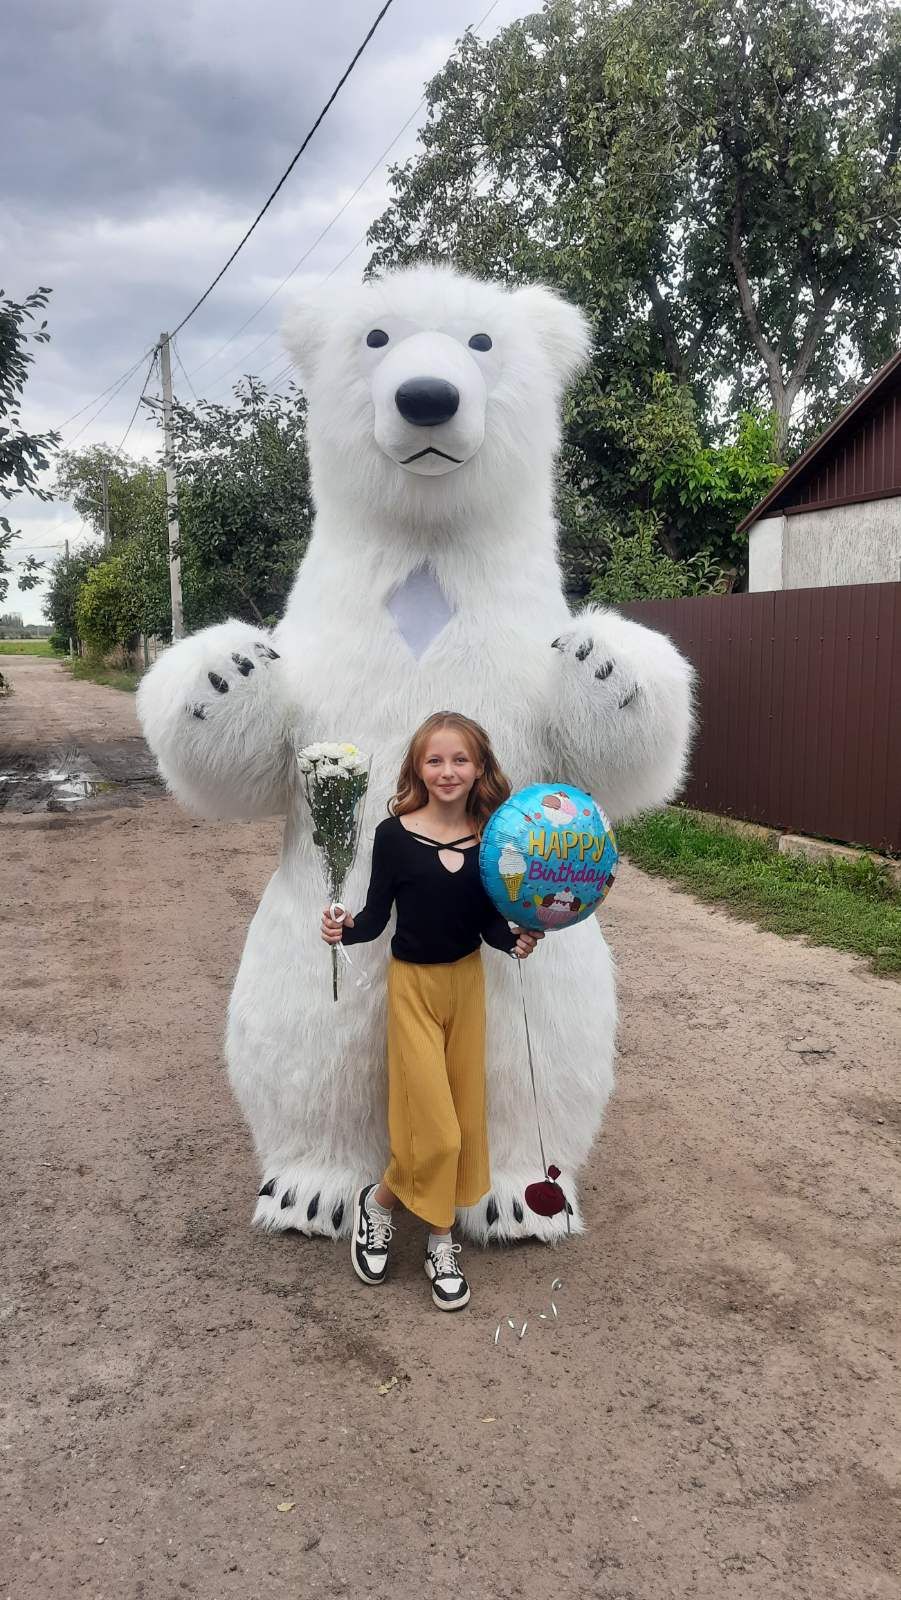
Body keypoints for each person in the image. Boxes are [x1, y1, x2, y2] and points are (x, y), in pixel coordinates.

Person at [321, 711, 542, 1311]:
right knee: (437, 1133)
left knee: (463, 1123)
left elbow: (490, 922)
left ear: (479, 768)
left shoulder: (493, 835)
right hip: (412, 989)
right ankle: (389, 1209)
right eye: (435, 760)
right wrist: (342, 928)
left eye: (460, 760)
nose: (448, 771)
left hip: (465, 986)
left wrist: (515, 939)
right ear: (418, 768)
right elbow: (374, 918)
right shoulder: (394, 835)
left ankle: (435, 1239)